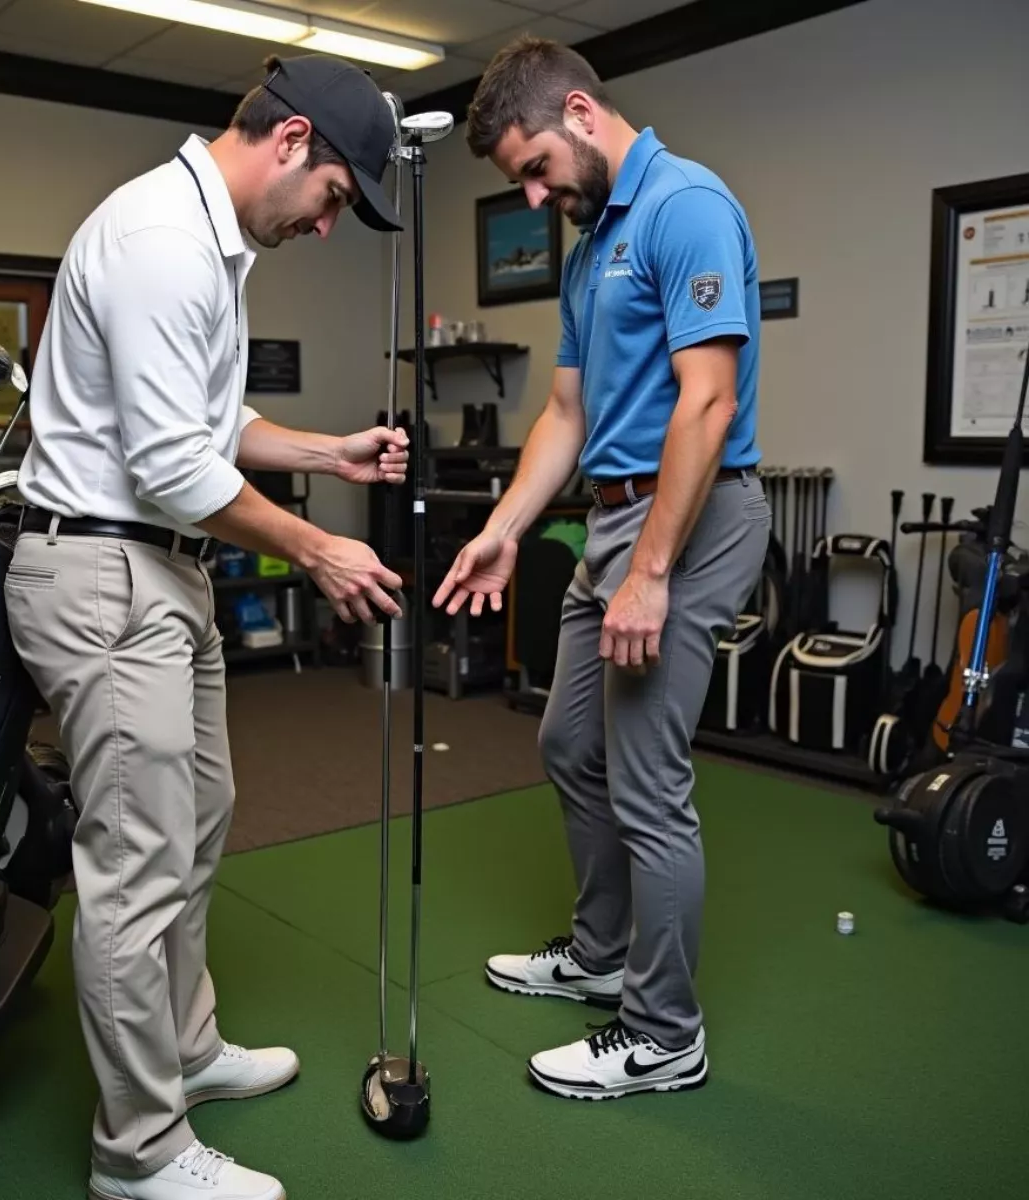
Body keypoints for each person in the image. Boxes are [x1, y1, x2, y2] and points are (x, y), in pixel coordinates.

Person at [5, 54, 408, 1200]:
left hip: (160, 573)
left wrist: (330, 450)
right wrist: (320, 545)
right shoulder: (161, 243)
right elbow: (176, 463)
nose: (328, 224)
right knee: (135, 863)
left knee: (200, 817)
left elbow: (212, 419)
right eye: (334, 196)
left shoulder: (207, 240)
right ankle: (138, 1154)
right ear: (291, 144)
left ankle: (184, 1048)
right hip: (104, 574)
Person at [435, 36, 770, 1101]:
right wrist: (507, 527)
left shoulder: (685, 207)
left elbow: (707, 403)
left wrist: (653, 572)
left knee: (648, 781)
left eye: (535, 168)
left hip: (695, 522)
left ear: (581, 113)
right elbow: (567, 415)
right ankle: (603, 952)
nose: (535, 195)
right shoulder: (589, 248)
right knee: (569, 739)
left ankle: (665, 1031)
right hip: (614, 522)